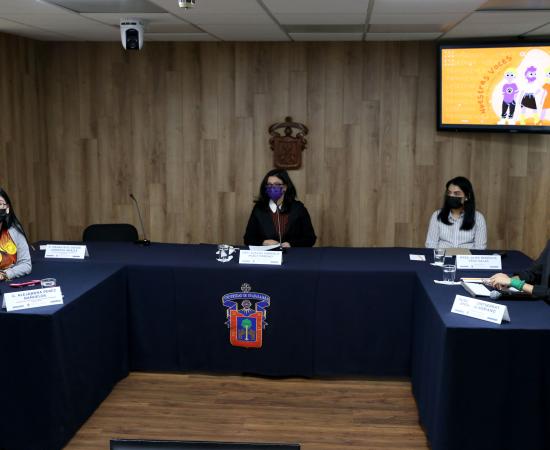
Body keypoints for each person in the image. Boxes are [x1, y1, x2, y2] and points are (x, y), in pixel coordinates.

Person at [244, 169, 316, 248]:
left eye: (276, 184)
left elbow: (310, 239)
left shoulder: (298, 209)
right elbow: (248, 239)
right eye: (269, 185)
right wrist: (263, 242)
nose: (272, 188)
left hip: (292, 253)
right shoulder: (259, 209)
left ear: (285, 187)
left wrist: (291, 244)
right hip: (268, 254)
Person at [425, 176, 487, 249]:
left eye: (457, 193)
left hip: (467, 256)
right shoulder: (437, 215)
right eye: (449, 193)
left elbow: (480, 248)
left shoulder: (478, 218)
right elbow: (431, 244)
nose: (451, 196)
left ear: (467, 196)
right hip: (443, 255)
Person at [0, 188, 32, 280]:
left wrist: (5, 275)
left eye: (0, 204)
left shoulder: (14, 230)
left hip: (7, 283)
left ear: (7, 208)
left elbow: (26, 264)